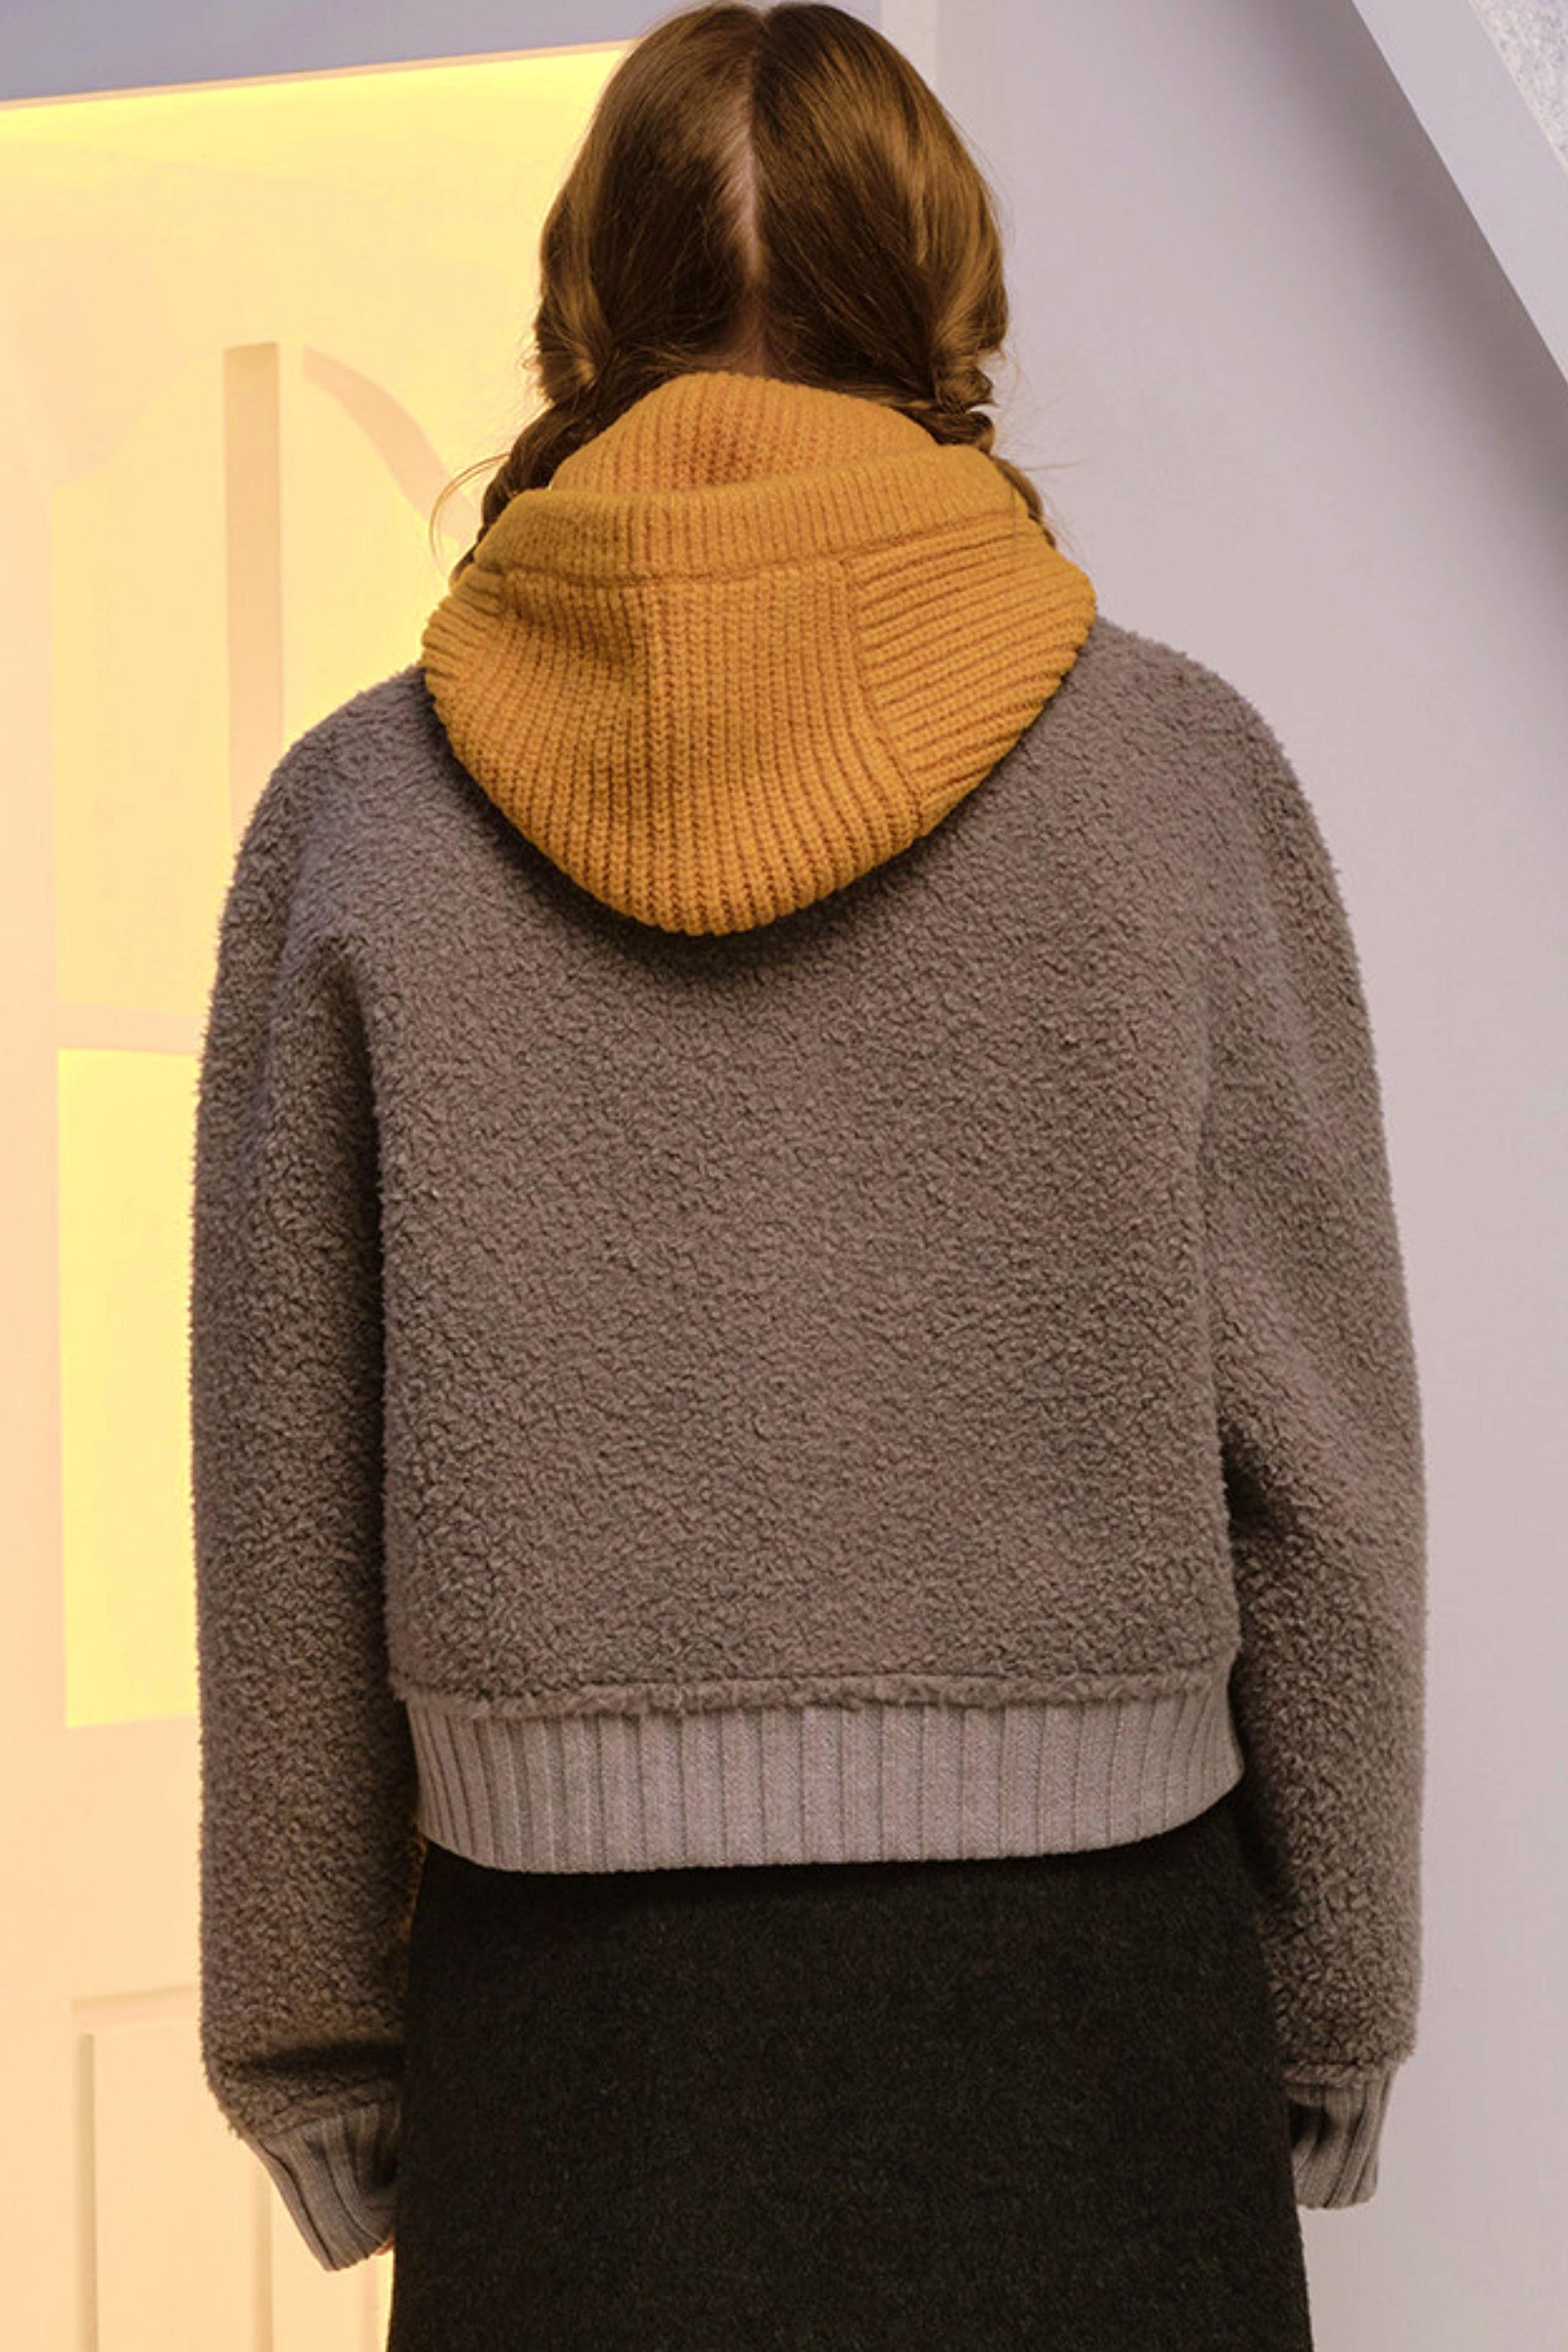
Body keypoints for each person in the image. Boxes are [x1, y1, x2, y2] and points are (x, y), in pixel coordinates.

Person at [190, 6, 1427, 2346]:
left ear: (586, 300)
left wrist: (315, 2049)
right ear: (945, 294)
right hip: (1098, 2006)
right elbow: (1324, 1458)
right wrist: (1333, 1999)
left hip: (571, 2048)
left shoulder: (358, 820)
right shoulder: (1178, 780)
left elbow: (283, 1500)